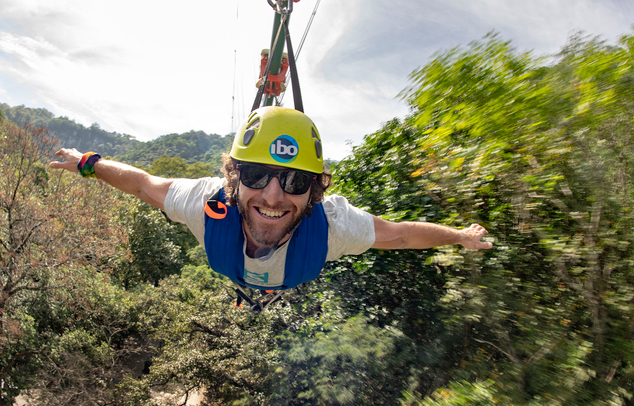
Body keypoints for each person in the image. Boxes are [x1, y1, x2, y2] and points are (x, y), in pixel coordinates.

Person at [50, 106, 492, 291]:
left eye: (296, 183)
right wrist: (88, 162)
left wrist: (459, 237)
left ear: (316, 193)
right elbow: (145, 183)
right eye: (258, 175)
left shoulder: (332, 225)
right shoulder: (208, 203)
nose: (274, 195)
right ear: (234, 178)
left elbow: (397, 236)